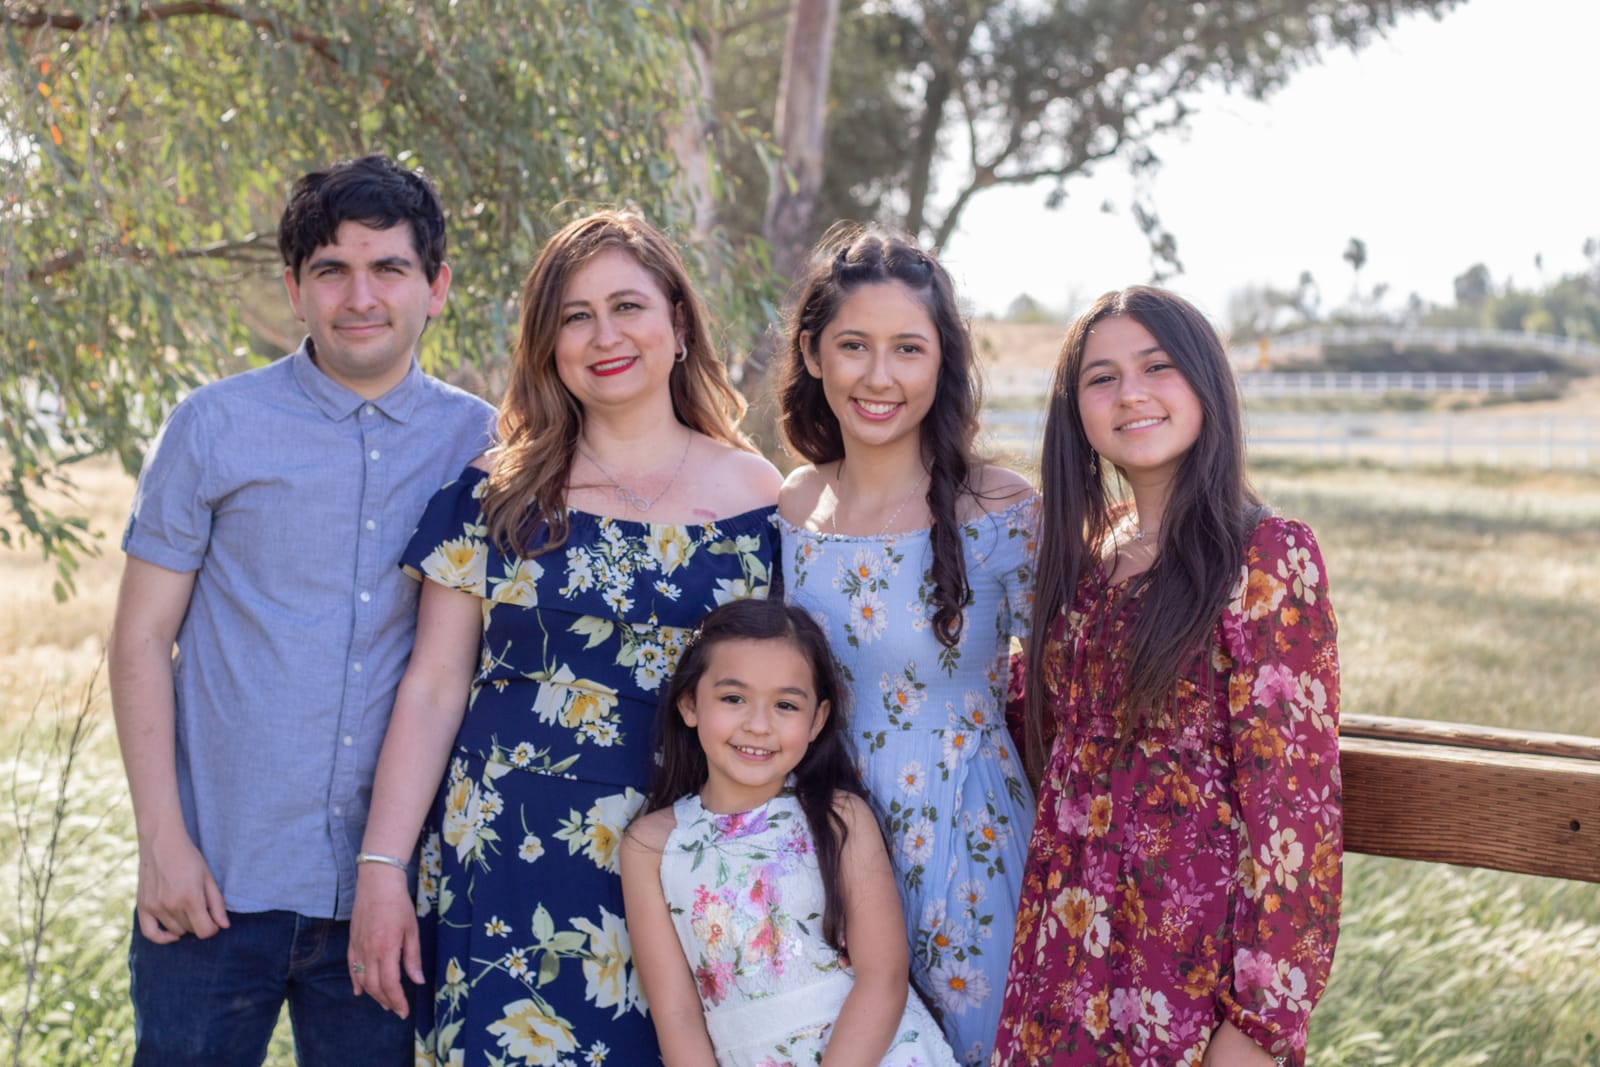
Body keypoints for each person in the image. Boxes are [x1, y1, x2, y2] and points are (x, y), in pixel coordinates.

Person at [348, 210, 783, 1064]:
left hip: (683, 864)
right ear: (547, 344)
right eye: (575, 316)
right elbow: (434, 687)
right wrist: (381, 866)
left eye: (628, 306)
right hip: (506, 857)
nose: (604, 335)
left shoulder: (758, 498)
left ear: (679, 324)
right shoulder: (495, 490)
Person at [107, 154, 496, 1065]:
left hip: (383, 900)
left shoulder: (483, 444)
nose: (360, 296)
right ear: (295, 288)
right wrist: (162, 840)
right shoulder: (213, 427)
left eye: (388, 268)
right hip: (212, 885)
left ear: (435, 286)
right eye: (331, 270)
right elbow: (138, 640)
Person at [991, 286, 1342, 1066]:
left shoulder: (1266, 558)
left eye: (1158, 366)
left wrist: (1255, 1028)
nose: (1132, 394)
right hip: (1063, 952)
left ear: (1206, 383)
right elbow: (1040, 726)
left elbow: (1295, 815)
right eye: (1102, 377)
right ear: (1074, 407)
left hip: (1185, 974)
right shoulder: (1083, 563)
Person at [774, 225, 1038, 1066]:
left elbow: (1082, 685)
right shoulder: (792, 505)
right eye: (854, 345)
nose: (879, 376)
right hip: (822, 851)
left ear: (941, 362)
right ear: (814, 353)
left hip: (968, 849)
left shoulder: (997, 508)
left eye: (908, 349)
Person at [619, 598, 959, 1067]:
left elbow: (883, 976)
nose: (758, 725)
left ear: (817, 720)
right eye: (733, 698)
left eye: (784, 704)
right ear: (689, 704)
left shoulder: (840, 817)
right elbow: (677, 1013)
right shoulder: (651, 846)